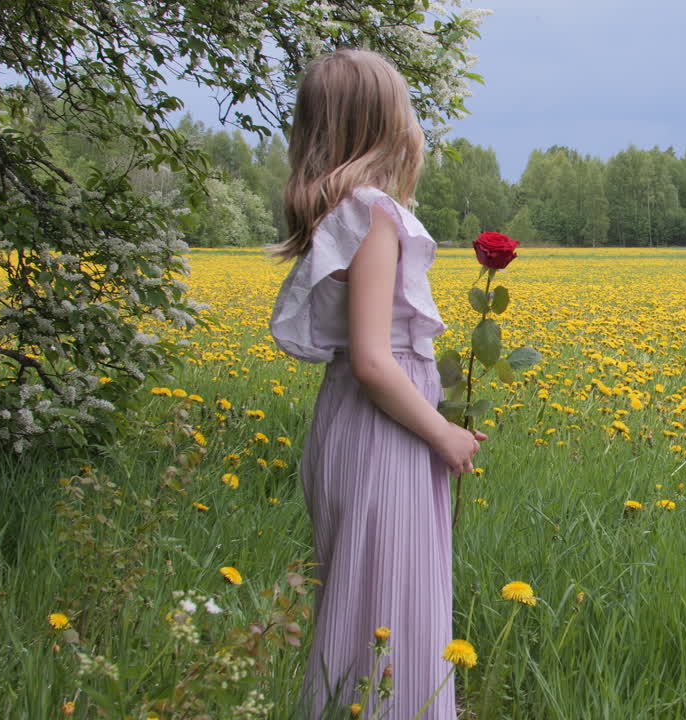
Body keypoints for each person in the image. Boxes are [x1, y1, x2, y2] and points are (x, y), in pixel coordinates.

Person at [268, 48, 484, 719]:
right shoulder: (374, 218)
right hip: (382, 430)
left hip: (352, 424)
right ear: (386, 126)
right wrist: (443, 432)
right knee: (393, 608)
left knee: (363, 606)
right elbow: (372, 359)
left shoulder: (342, 215)